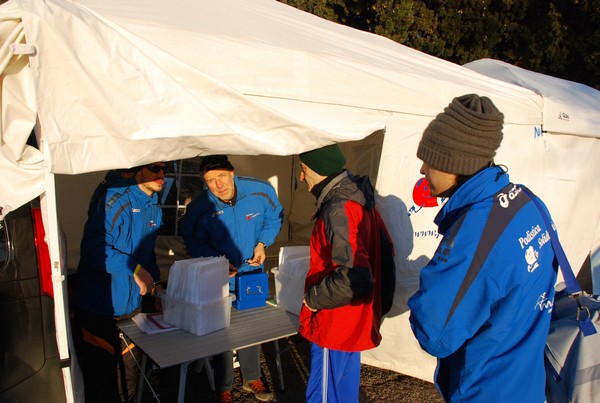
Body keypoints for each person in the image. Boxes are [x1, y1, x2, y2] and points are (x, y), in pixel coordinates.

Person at [407, 94, 558, 402]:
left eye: (431, 159)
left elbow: (434, 334)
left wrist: (430, 279)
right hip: (527, 381)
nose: (422, 169)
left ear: (456, 165)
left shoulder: (476, 232)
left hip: (485, 388)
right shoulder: (528, 202)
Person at [181, 155, 283, 403]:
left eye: (222, 176)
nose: (218, 185)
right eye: (210, 180)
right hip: (220, 277)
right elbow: (191, 241)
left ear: (232, 172)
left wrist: (262, 244)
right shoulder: (200, 207)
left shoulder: (260, 190)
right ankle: (223, 386)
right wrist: (217, 259)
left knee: (251, 326)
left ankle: (251, 378)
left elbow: (274, 217)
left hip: (252, 274)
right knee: (222, 330)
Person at [298, 144, 394, 403]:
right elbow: (385, 253)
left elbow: (354, 277)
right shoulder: (359, 199)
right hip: (356, 317)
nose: (301, 177)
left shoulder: (338, 208)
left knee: (325, 395)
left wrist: (313, 298)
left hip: (336, 320)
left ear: (317, 170)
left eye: (304, 169)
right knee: (344, 390)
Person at [72, 162, 166, 403]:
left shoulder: (154, 205)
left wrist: (155, 285)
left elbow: (147, 253)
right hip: (98, 307)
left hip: (130, 305)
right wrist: (133, 269)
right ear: (137, 169)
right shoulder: (115, 199)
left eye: (165, 168)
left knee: (129, 373)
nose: (161, 175)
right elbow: (93, 250)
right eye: (155, 168)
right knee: (102, 378)